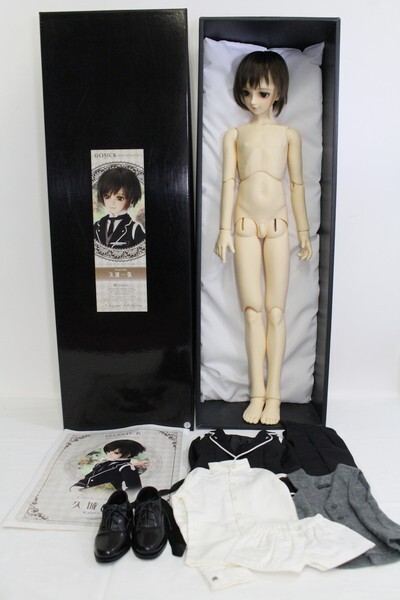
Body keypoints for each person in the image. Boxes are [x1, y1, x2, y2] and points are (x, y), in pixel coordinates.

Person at [214, 51, 312, 426]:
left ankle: (275, 395)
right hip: (242, 224)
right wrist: (223, 230)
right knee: (252, 311)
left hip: (278, 225)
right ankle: (257, 392)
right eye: (247, 93)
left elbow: (298, 186)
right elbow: (228, 183)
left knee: (276, 311)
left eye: (263, 93)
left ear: (277, 93)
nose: (254, 101)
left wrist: (304, 232)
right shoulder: (234, 135)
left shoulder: (289, 136)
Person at [93, 166, 145, 248]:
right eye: (107, 196)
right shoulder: (96, 226)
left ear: (131, 198)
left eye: (119, 198)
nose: (112, 203)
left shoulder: (134, 229)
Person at [72, 439, 146, 491]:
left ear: (128, 454)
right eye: (108, 451)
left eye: (116, 453)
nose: (110, 454)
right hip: (87, 493)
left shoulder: (126, 467)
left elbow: (134, 488)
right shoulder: (101, 464)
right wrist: (78, 486)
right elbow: (89, 477)